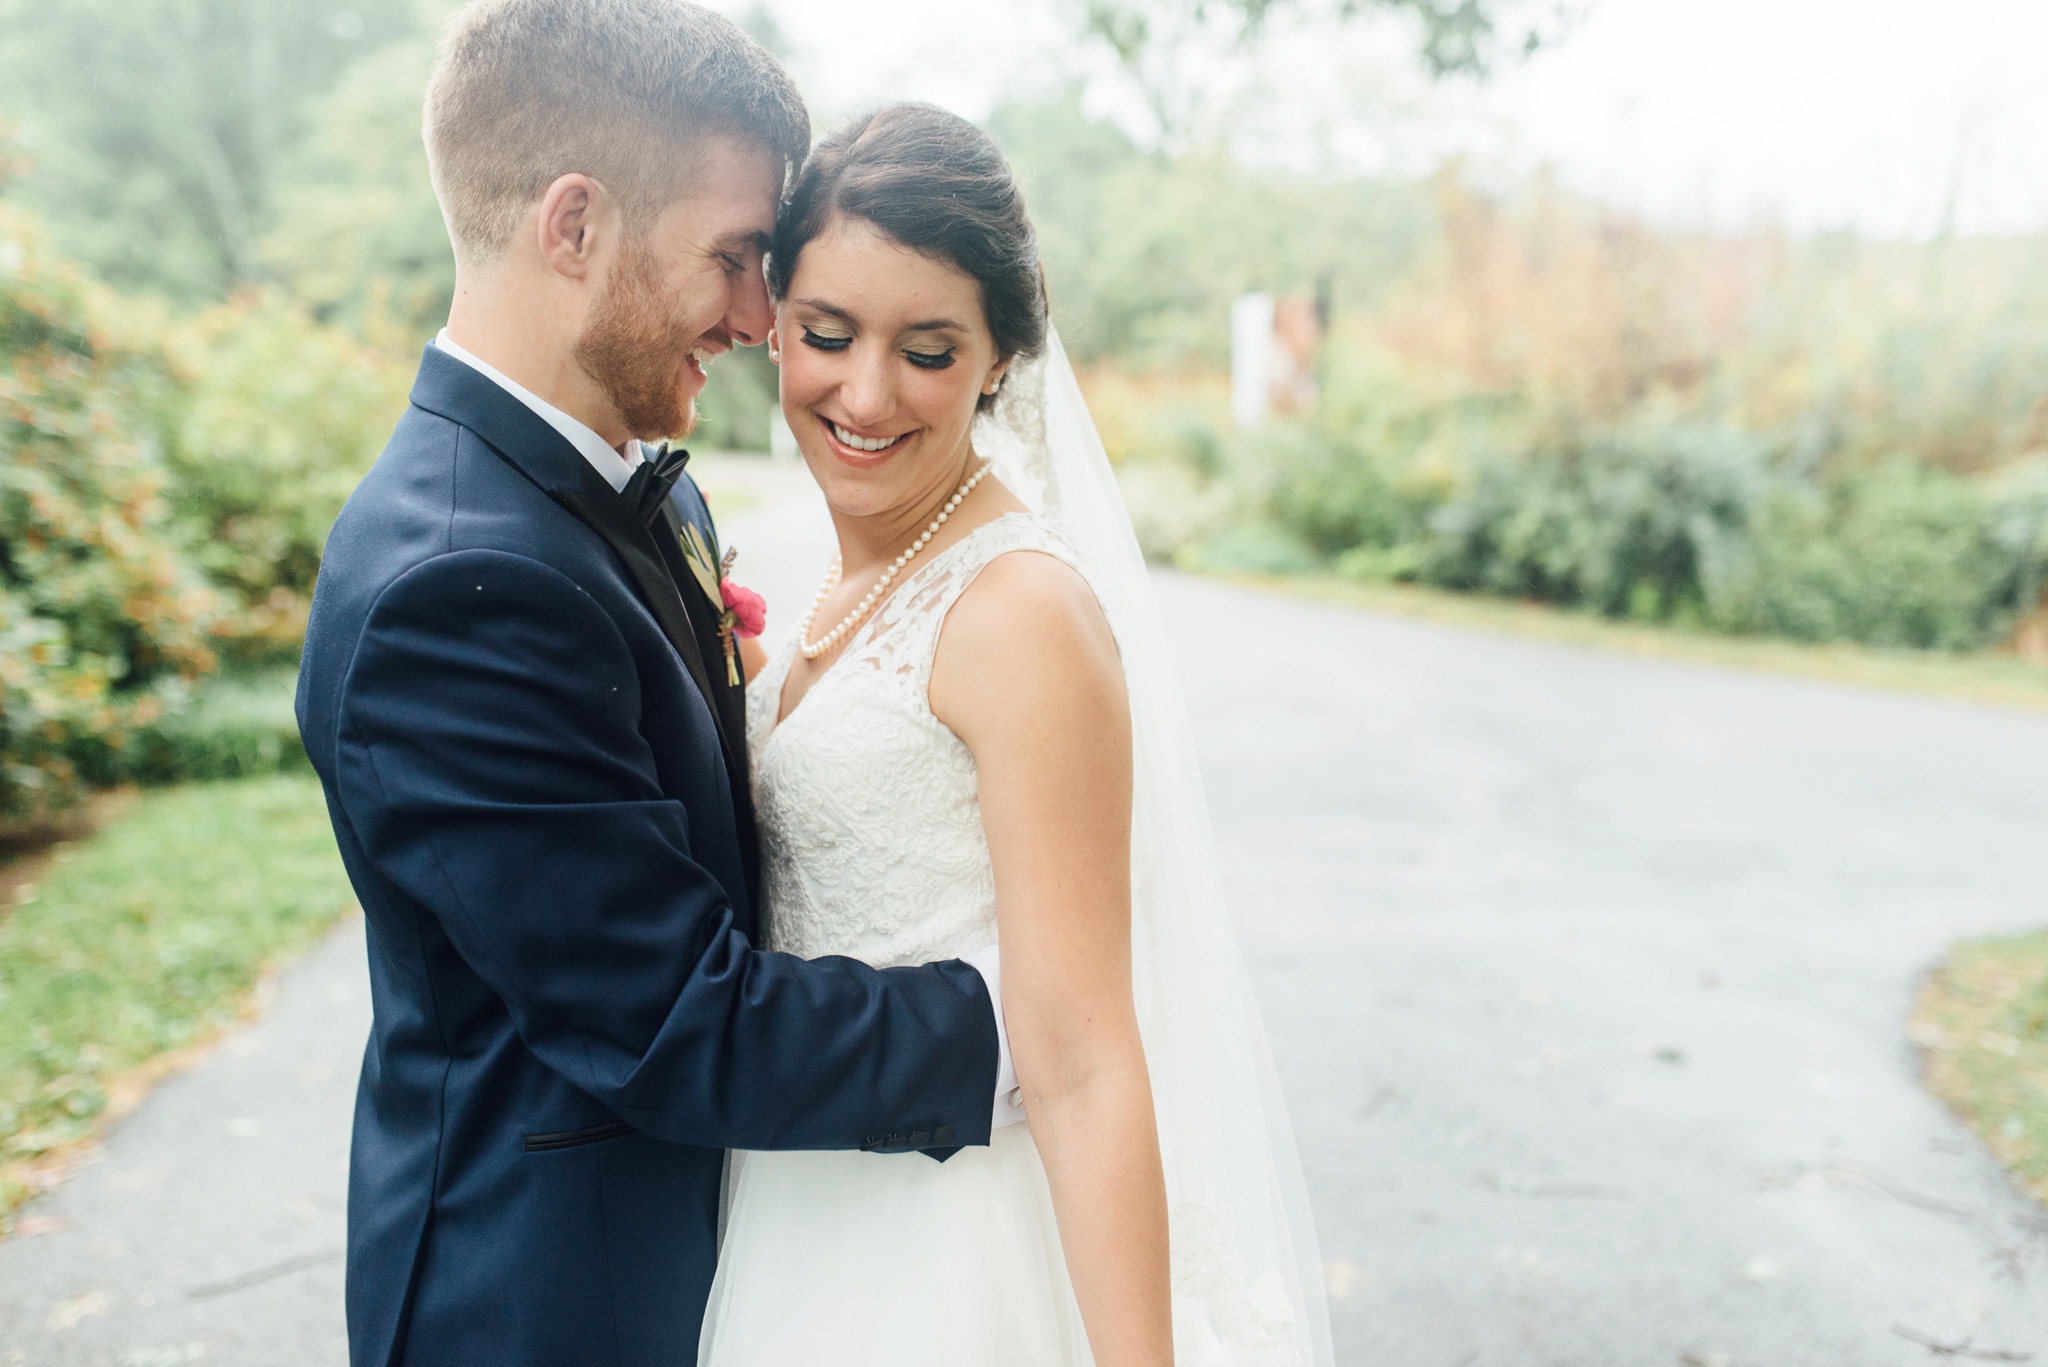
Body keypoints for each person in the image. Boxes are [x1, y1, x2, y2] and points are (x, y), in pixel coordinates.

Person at [294, 6, 1021, 1364]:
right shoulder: (456, 586)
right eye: (737, 257)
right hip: (552, 1305)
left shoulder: (570, 494)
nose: (760, 316)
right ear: (574, 227)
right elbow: (678, 1021)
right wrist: (1021, 1019)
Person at [698, 104, 1335, 1367]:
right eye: (827, 334)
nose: (864, 392)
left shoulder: (1020, 611)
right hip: (797, 1209)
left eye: (927, 351)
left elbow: (1087, 1054)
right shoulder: (843, 580)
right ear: (773, 317)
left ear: (998, 360)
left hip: (947, 1255)